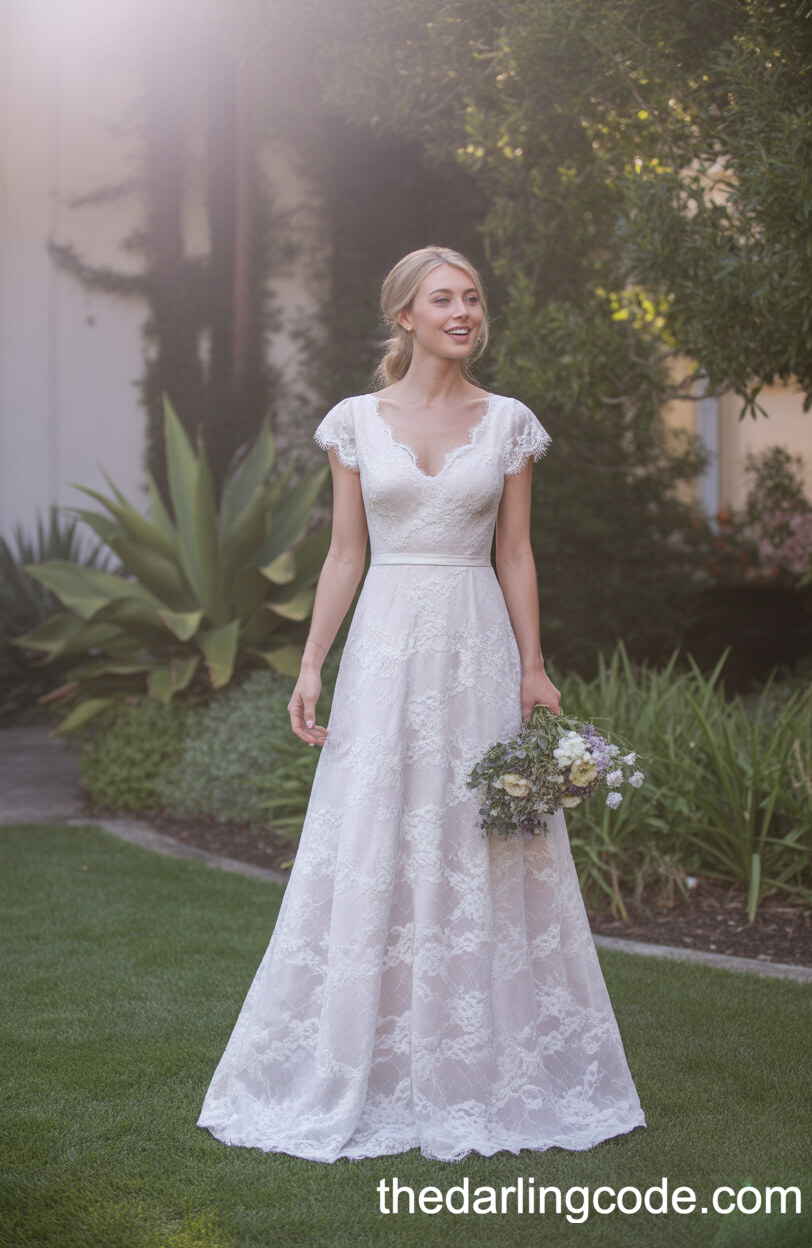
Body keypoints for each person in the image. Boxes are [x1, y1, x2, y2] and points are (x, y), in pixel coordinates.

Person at [196, 244, 646, 1162]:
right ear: (404, 315)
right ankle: (369, 1054)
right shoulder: (355, 421)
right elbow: (344, 554)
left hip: (477, 642)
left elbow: (516, 553)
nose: (464, 311)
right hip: (388, 647)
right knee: (375, 834)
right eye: (444, 298)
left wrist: (534, 666)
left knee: (485, 838)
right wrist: (313, 661)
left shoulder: (510, 421)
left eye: (473, 297)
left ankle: (487, 1064)